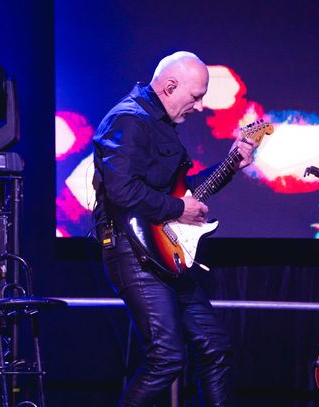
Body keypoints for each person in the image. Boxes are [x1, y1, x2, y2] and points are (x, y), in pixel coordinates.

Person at [92, 51, 257, 406]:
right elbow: (122, 190)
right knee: (166, 358)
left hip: (165, 252)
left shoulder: (160, 124)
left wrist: (231, 165)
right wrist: (180, 209)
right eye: (195, 97)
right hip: (132, 252)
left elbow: (182, 191)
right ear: (169, 87)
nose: (199, 107)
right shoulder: (129, 120)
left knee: (215, 348)